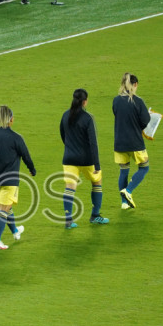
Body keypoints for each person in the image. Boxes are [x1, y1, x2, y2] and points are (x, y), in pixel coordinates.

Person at [0, 106, 36, 250]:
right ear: (10, 119)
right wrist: (32, 169)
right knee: (3, 210)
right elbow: (26, 156)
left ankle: (15, 231)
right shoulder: (16, 138)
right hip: (10, 181)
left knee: (6, 207)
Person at [59, 89, 109, 228]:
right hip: (86, 159)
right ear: (85, 101)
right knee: (97, 182)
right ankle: (95, 215)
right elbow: (93, 143)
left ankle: (68, 220)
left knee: (70, 187)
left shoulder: (65, 115)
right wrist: (97, 165)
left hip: (69, 158)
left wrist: (70, 147)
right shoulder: (88, 118)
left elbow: (63, 134)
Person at [113, 73, 150, 209]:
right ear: (135, 85)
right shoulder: (138, 101)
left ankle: (124, 203)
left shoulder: (116, 100)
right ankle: (128, 191)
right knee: (144, 168)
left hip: (119, 142)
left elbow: (118, 115)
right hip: (135, 142)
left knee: (124, 171)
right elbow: (146, 120)